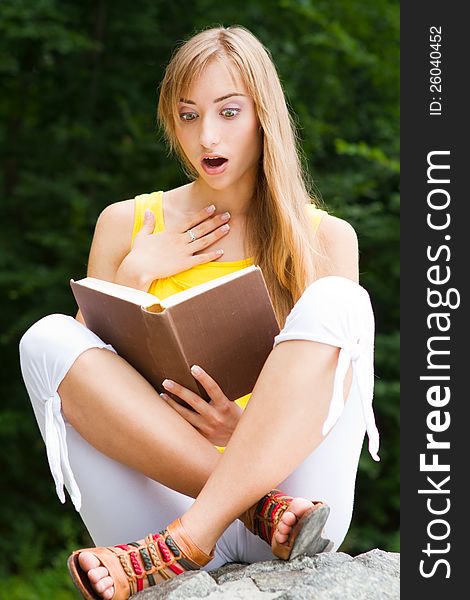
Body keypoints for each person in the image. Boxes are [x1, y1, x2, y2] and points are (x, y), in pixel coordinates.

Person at [19, 24, 380, 600]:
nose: (206, 136)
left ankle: (197, 533)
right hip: (168, 502)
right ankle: (237, 514)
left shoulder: (327, 238)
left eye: (228, 112)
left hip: (298, 503)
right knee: (44, 338)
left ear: (264, 116)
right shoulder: (125, 224)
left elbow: (333, 402)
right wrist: (136, 273)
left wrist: (245, 433)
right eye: (188, 116)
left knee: (341, 302)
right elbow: (81, 387)